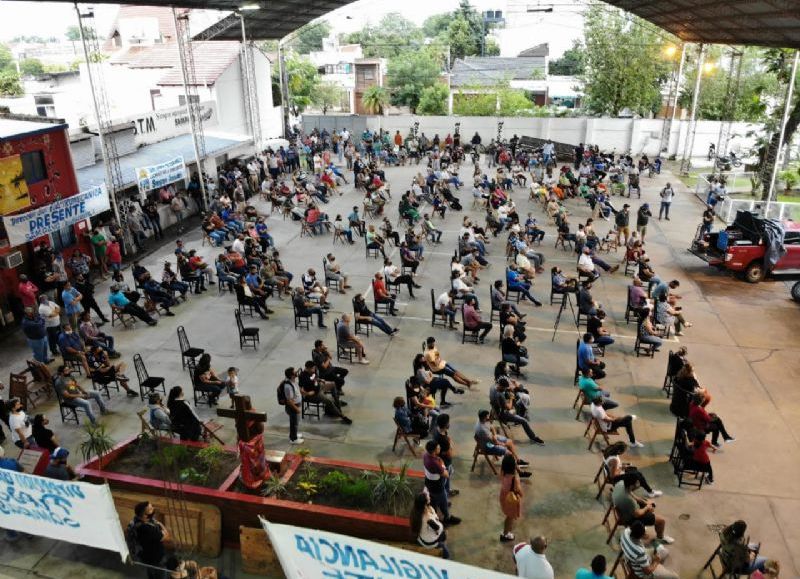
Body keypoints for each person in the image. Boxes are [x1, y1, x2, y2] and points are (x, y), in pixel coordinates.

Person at [612, 478, 674, 544]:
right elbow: (637, 514)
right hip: (628, 518)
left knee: (648, 506)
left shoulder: (621, 483)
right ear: (631, 486)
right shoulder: (629, 500)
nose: (638, 486)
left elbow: (635, 497)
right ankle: (660, 537)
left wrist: (646, 503)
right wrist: (647, 507)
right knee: (661, 521)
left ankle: (644, 525)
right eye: (636, 484)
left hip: (622, 510)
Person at [128, 501, 170, 579]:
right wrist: (160, 524)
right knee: (160, 574)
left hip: (145, 555)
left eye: (152, 506)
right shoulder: (147, 529)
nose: (153, 509)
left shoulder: (135, 521)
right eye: (150, 509)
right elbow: (167, 536)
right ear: (144, 515)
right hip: (156, 558)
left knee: (151, 572)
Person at [410, 493, 450, 559]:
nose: (429, 496)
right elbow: (439, 528)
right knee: (444, 537)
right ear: (425, 503)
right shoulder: (428, 519)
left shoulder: (415, 512)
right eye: (428, 496)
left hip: (421, 539)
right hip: (430, 543)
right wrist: (437, 521)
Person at [499, 454, 523, 542]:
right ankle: (505, 534)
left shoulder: (503, 472)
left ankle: (506, 531)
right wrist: (521, 494)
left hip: (504, 495)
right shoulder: (515, 478)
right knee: (510, 517)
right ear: (513, 466)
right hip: (512, 499)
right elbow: (518, 489)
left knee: (509, 515)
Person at [280, 368, 304, 444]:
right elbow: (289, 401)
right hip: (293, 407)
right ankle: (293, 439)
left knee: (295, 422)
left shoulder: (292, 380)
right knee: (294, 423)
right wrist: (296, 408)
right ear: (291, 375)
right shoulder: (288, 386)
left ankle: (294, 434)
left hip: (296, 405)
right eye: (295, 372)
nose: (296, 372)